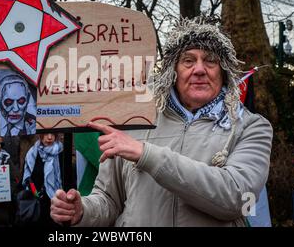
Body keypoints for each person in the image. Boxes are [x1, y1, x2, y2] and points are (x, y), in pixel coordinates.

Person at [50, 17, 273, 227]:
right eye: (188, 61)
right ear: (172, 71)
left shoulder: (250, 127)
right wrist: (82, 211)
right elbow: (109, 199)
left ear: (223, 72)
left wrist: (146, 155)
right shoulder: (135, 119)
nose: (199, 69)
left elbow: (237, 198)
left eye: (210, 61)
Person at [21, 133, 63, 226]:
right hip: (36, 201)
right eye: (46, 134)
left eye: (52, 134)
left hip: (56, 199)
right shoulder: (32, 153)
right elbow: (28, 179)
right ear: (40, 136)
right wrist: (35, 192)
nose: (49, 137)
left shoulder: (60, 152)